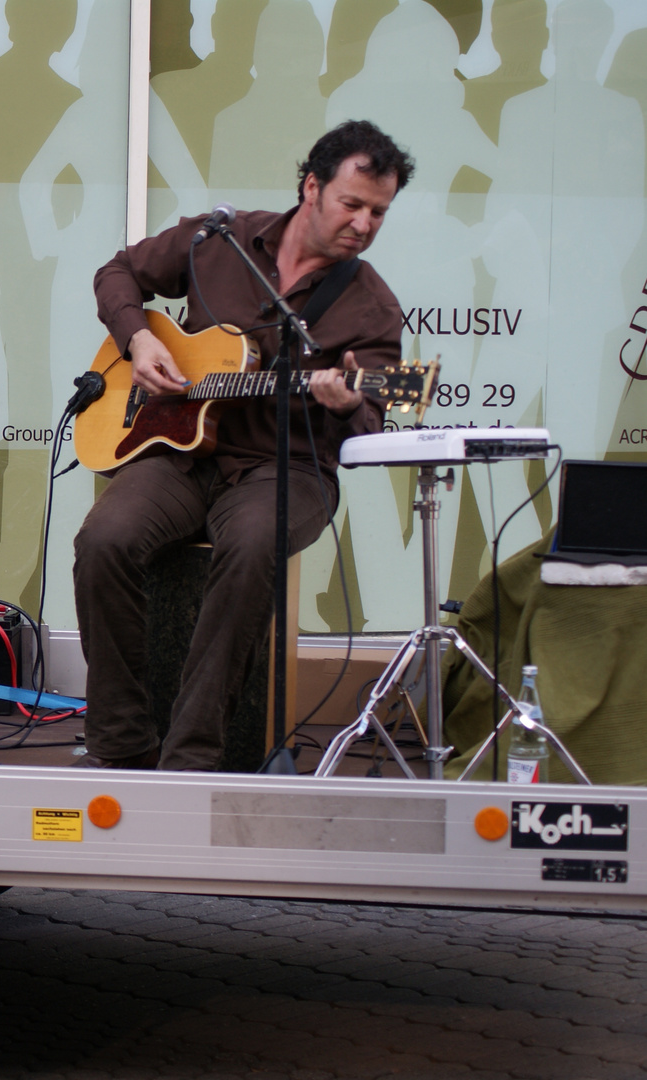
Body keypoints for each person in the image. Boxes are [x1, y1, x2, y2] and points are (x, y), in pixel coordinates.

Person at [73, 120, 413, 771]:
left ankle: (192, 754)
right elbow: (117, 272)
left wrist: (347, 402)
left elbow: (371, 415)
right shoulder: (218, 241)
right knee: (103, 540)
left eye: (379, 212)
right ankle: (120, 741)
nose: (365, 224)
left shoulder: (369, 307)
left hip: (285, 467)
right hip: (179, 449)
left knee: (251, 545)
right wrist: (137, 340)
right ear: (310, 188)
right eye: (353, 204)